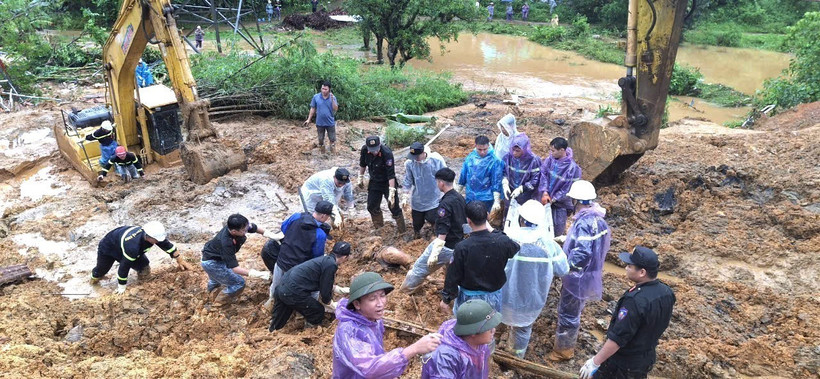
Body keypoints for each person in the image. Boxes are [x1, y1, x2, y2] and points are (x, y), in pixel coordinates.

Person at [578, 246, 676, 379]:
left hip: (624, 364)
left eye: (630, 266)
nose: (626, 268)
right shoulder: (666, 292)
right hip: (646, 357)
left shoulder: (634, 301)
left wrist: (595, 362)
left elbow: (618, 338)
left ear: (642, 272)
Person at [333, 272, 443, 378]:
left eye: (382, 296)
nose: (380, 303)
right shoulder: (349, 331)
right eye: (372, 298)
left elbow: (376, 355)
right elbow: (369, 368)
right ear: (357, 304)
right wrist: (413, 349)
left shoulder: (374, 319)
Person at [550, 180, 611, 361]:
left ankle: (563, 351)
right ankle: (565, 346)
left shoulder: (584, 222)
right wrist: (567, 239)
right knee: (575, 309)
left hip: (577, 277)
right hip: (590, 273)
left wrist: (567, 269)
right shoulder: (597, 220)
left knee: (568, 313)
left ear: (577, 200)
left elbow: (583, 252)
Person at [500, 200, 569, 358]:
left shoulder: (507, 240)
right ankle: (515, 360)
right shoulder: (549, 245)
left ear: (521, 219)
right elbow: (563, 269)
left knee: (494, 324)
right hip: (531, 300)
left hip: (505, 296)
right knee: (523, 330)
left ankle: (490, 355)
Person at [439, 201, 519, 314]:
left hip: (469, 299)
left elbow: (453, 275)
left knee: (468, 328)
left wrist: (446, 299)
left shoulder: (463, 247)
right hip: (493, 297)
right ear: (487, 216)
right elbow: (515, 247)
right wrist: (493, 231)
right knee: (489, 327)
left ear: (468, 221)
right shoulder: (502, 241)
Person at [401, 167, 467, 293]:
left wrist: (435, 252)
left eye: (437, 182)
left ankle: (405, 293)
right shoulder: (460, 198)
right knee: (452, 272)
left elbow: (443, 229)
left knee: (419, 269)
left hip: (446, 245)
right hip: (459, 244)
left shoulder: (445, 203)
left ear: (441, 183)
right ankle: (450, 292)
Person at [263, 200, 333, 309]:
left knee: (275, 286)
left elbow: (283, 228)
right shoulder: (319, 234)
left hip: (281, 260)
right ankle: (306, 310)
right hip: (297, 269)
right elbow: (316, 257)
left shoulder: (296, 216)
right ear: (324, 216)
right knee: (310, 290)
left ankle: (271, 304)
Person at [90, 221, 192, 294]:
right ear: (147, 236)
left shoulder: (154, 236)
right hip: (109, 247)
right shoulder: (133, 246)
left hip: (124, 244)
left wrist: (180, 260)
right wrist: (121, 288)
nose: (158, 242)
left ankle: (143, 284)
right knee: (101, 270)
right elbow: (124, 268)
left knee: (144, 266)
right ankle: (93, 281)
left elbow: (168, 246)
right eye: (156, 240)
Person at [269, 241, 351, 331]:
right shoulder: (331, 265)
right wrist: (332, 305)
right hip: (292, 291)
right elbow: (325, 293)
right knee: (317, 311)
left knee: (278, 322)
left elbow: (322, 282)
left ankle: (270, 333)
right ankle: (309, 335)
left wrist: (340, 289)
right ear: (344, 257)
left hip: (282, 286)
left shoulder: (323, 260)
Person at [201, 214, 271, 308]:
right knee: (239, 283)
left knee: (215, 278)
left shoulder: (239, 226)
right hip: (212, 263)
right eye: (245, 230)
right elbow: (235, 269)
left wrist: (270, 234)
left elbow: (254, 227)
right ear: (234, 231)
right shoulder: (226, 243)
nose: (247, 231)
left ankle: (210, 292)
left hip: (212, 255)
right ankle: (218, 303)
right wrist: (257, 274)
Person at [421, 299, 500, 378]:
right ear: (473, 332)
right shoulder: (445, 358)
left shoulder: (481, 345)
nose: (493, 330)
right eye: (489, 328)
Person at [358, 135, 405, 232]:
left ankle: (402, 230)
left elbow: (391, 174)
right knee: (371, 206)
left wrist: (392, 191)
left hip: (387, 182)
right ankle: (379, 228)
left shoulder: (386, 153)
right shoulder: (364, 150)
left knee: (393, 206)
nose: (374, 152)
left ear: (380, 145)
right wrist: (360, 177)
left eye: (376, 149)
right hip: (375, 181)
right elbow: (363, 164)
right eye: (371, 150)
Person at [402, 142, 447, 239]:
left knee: (434, 219)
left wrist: (448, 192)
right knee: (417, 223)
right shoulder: (410, 163)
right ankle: (417, 235)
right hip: (418, 198)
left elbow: (446, 176)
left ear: (423, 153)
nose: (415, 159)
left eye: (417, 157)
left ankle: (436, 236)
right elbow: (408, 180)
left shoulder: (436, 161)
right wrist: (404, 195)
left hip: (433, 197)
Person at [539, 137, 582, 236]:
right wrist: (545, 192)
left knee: (558, 227)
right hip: (546, 198)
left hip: (561, 203)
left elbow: (568, 189)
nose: (551, 152)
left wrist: (554, 199)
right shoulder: (550, 159)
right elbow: (543, 174)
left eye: (553, 150)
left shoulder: (572, 168)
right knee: (543, 225)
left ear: (562, 150)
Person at [458, 135, 504, 215]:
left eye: (485, 149)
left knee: (484, 218)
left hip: (487, 198)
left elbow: (496, 181)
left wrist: (497, 200)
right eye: (479, 149)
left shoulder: (494, 161)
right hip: (470, 195)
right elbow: (464, 174)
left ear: (488, 146)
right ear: (475, 146)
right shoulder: (470, 158)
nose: (482, 152)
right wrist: (458, 190)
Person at [501, 133, 541, 225]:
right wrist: (505, 183)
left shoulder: (533, 160)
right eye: (513, 150)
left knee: (524, 217)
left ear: (525, 149)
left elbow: (535, 180)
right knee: (508, 216)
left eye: (518, 151)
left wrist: (522, 188)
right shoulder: (508, 157)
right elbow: (503, 172)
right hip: (510, 193)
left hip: (526, 196)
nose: (514, 153)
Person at [303, 81, 339, 153]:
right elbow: (312, 108)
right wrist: (308, 119)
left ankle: (332, 154)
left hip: (330, 122)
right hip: (319, 122)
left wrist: (332, 100)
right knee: (320, 140)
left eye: (325, 89)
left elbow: (335, 108)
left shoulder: (333, 97)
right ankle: (322, 153)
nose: (323, 90)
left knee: (332, 140)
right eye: (322, 88)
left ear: (329, 89)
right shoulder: (316, 97)